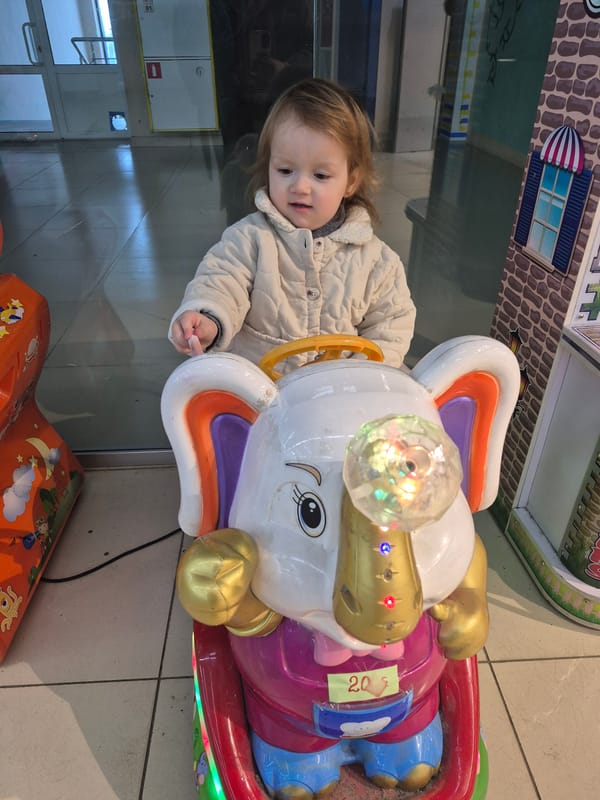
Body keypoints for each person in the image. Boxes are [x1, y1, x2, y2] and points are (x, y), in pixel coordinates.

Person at [168, 78, 416, 372]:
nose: (299, 186)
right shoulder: (248, 239)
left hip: (340, 391)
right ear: (268, 168)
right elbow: (221, 282)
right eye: (285, 170)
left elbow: (391, 326)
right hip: (260, 388)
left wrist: (360, 375)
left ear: (351, 181)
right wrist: (208, 318)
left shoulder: (377, 261)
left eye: (320, 176)